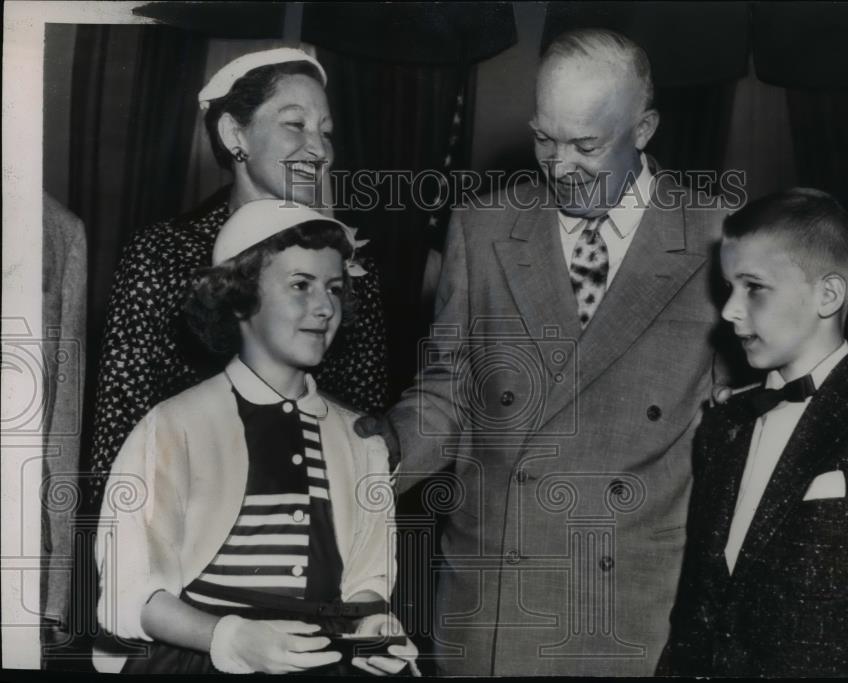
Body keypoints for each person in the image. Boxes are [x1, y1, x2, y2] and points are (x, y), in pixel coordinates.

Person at [363, 29, 730, 676]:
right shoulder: (483, 227)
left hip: (635, 617)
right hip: (496, 608)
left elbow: (740, 438)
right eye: (544, 139)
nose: (560, 166)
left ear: (644, 128)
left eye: (587, 145)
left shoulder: (718, 237)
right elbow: (447, 393)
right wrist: (371, 456)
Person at [95, 200, 418, 675]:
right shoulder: (171, 428)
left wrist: (372, 629)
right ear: (239, 297)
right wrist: (229, 637)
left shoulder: (360, 439)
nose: (325, 306)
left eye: (333, 287)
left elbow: (366, 585)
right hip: (197, 660)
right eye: (300, 286)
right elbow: (132, 595)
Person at [659, 188, 848, 676]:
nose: (729, 310)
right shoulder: (723, 425)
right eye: (728, 287)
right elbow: (694, 615)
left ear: (829, 295)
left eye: (753, 287)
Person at [87, 47, 389, 509]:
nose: (319, 148)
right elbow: (119, 426)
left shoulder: (348, 263)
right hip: (181, 519)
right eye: (296, 124)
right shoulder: (163, 253)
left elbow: (362, 421)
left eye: (326, 131)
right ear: (234, 134)